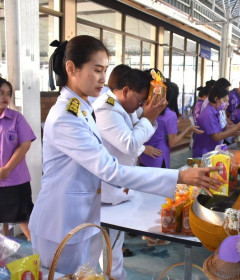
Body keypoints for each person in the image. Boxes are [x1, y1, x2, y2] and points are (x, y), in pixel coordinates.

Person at [28, 35, 221, 274]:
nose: (103, 79)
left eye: (105, 70)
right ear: (71, 68)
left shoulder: (84, 108)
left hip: (80, 217)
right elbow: (110, 169)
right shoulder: (67, 116)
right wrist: (179, 178)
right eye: (97, 70)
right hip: (59, 222)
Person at [93, 65, 165, 279]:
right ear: (125, 90)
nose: (141, 106)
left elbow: (139, 134)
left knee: (114, 244)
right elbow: (130, 143)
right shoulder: (106, 109)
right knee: (102, 246)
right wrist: (148, 117)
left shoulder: (122, 108)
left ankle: (115, 275)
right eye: (141, 101)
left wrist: (148, 116)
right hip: (104, 189)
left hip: (118, 186)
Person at [0, 78, 35, 241]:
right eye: (1, 93)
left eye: (8, 94)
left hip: (16, 180)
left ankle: (41, 260)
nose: (5, 97)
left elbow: (25, 145)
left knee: (25, 221)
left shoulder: (16, 118)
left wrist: (6, 169)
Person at [139, 78, 203, 168]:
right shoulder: (170, 115)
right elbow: (172, 143)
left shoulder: (147, 108)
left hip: (144, 155)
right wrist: (188, 129)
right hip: (159, 157)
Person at [192, 85, 240, 158]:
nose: (227, 104)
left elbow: (223, 128)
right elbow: (216, 137)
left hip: (212, 151)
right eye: (224, 100)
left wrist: (238, 126)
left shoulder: (216, 111)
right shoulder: (208, 113)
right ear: (216, 99)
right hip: (204, 154)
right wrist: (236, 128)